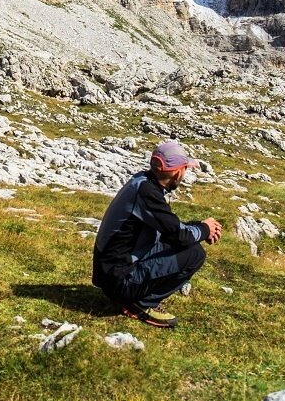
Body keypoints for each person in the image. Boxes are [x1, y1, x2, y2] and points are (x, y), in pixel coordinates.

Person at [92, 140, 222, 328]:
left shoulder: (142, 182)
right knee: (194, 254)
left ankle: (135, 296)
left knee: (186, 245)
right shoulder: (147, 193)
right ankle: (141, 305)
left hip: (110, 273)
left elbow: (170, 229)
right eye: (185, 169)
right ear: (178, 172)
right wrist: (204, 229)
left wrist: (200, 228)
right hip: (119, 280)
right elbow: (178, 235)